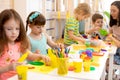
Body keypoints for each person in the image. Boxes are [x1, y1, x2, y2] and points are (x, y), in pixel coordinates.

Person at [0, 9, 50, 80]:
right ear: (1, 29)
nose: (14, 32)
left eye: (17, 29)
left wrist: (41, 56)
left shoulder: (19, 44)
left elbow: (30, 56)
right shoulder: (1, 46)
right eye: (9, 29)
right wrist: (8, 68)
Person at [106, 1, 120, 80]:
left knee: (108, 63)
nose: (111, 13)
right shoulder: (114, 22)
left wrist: (111, 37)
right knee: (105, 62)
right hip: (116, 49)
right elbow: (109, 34)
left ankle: (112, 76)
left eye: (114, 11)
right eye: (111, 10)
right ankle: (113, 76)